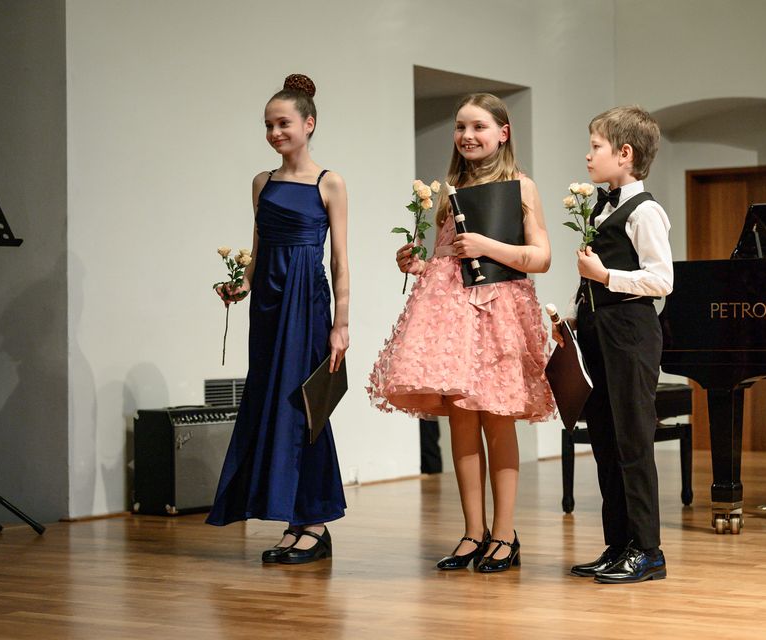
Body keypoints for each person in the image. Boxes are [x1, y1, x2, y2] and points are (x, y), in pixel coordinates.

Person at [368, 93, 554, 573]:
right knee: (461, 420)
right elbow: (448, 257)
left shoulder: (520, 186)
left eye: (478, 127)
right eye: (460, 127)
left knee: (497, 418)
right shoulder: (451, 189)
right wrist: (419, 263)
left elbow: (541, 257)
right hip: (451, 314)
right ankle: (474, 531)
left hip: (498, 313)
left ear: (503, 133)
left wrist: (488, 244)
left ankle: (505, 533)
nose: (467, 136)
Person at [207, 74, 350, 566]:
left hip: (307, 301)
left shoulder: (329, 182)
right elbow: (258, 248)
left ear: (308, 124)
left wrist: (341, 324)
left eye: (283, 123)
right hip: (268, 304)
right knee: (271, 401)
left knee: (304, 405)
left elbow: (340, 260)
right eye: (268, 125)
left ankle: (314, 522)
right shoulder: (261, 183)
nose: (274, 133)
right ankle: (296, 520)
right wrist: (241, 285)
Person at [553, 105, 673, 584]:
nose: (588, 155)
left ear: (625, 154)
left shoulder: (645, 211)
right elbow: (590, 278)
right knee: (604, 439)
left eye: (595, 147)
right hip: (597, 333)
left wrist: (605, 276)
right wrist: (572, 313)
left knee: (632, 442)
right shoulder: (600, 208)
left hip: (630, 335)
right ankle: (618, 543)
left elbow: (662, 280)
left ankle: (648, 551)